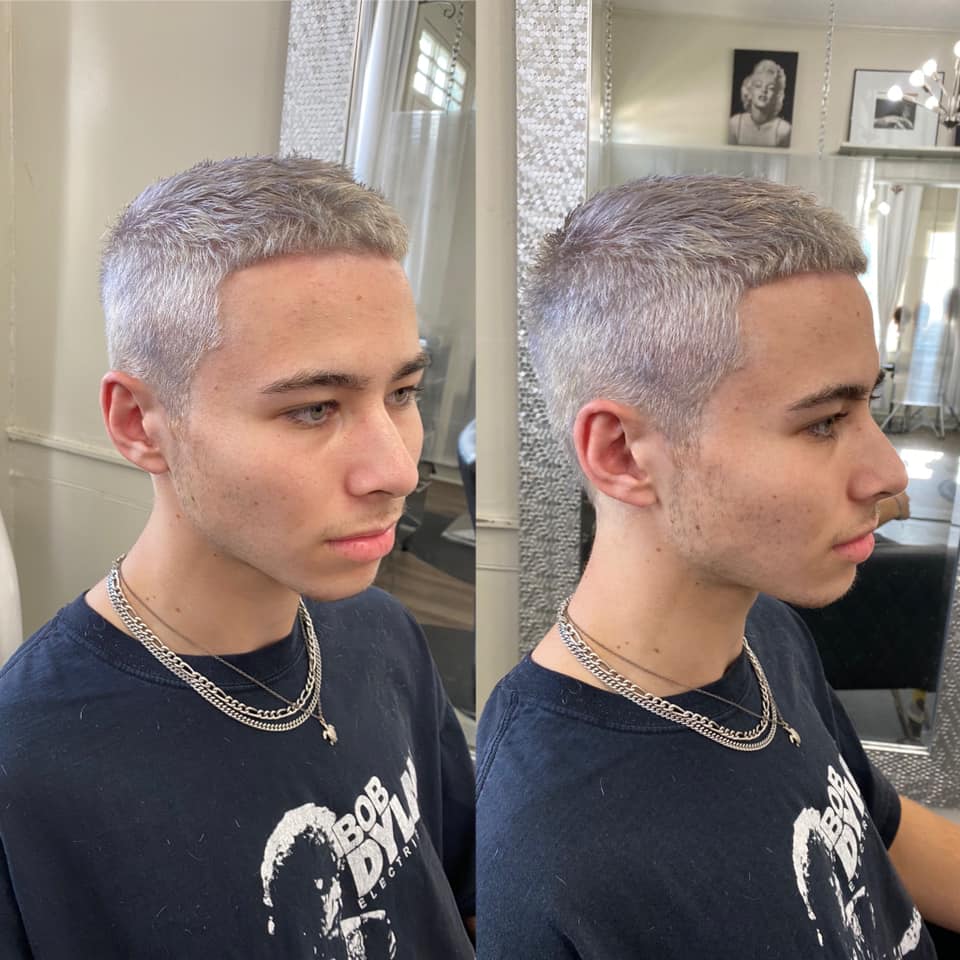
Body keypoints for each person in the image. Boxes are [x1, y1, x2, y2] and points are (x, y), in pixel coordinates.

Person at [0, 157, 475, 958]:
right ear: (140, 423)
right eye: (314, 409)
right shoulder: (29, 769)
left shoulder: (382, 633)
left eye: (402, 393)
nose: (397, 469)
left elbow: (459, 896)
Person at [476, 175, 960, 958]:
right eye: (824, 422)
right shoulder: (559, 846)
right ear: (622, 453)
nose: (888, 473)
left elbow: (887, 835)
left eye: (868, 405)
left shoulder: (767, 632)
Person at [729, 58, 792, 147]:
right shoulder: (735, 124)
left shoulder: (784, 130)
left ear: (776, 96)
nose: (764, 90)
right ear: (749, 91)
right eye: (758, 85)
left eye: (770, 88)